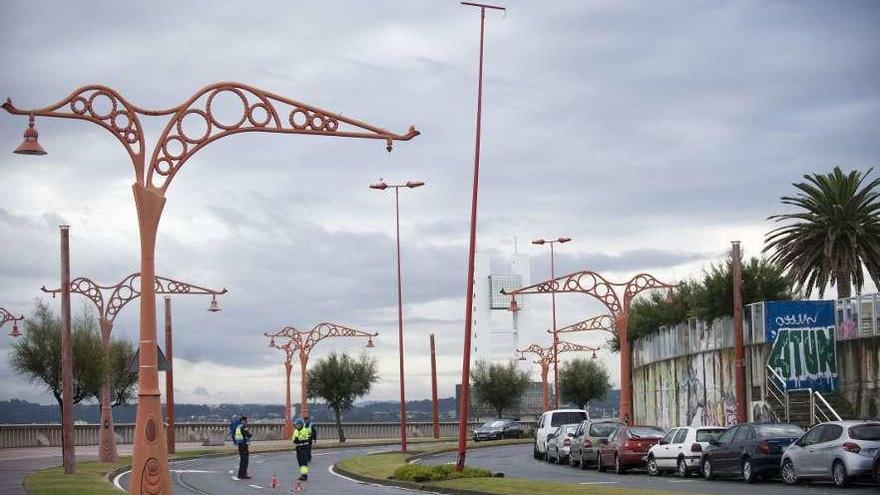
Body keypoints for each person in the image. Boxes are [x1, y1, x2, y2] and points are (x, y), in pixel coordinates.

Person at [292, 417, 312, 482]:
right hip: (298, 448)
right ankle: (302, 474)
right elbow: (293, 439)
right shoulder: (295, 431)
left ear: (301, 424)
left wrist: (301, 440)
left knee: (304, 462)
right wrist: (295, 440)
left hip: (304, 448)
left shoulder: (306, 430)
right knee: (300, 462)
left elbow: (308, 439)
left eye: (298, 424)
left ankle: (304, 476)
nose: (297, 426)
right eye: (296, 425)